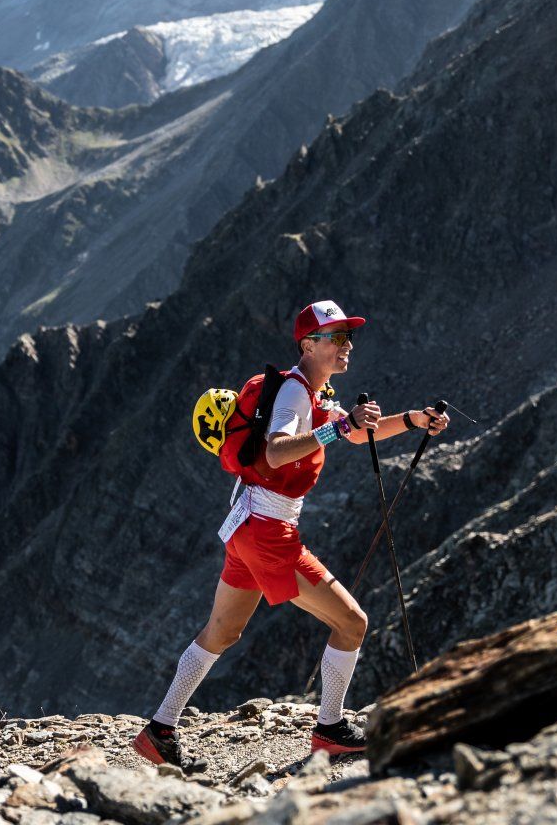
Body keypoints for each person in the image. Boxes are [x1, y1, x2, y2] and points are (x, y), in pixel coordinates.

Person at [134, 300, 450, 766]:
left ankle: (160, 729)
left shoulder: (313, 394)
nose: (347, 345)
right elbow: (278, 451)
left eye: (348, 336)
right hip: (268, 528)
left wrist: (411, 421)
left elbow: (358, 434)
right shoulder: (295, 394)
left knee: (222, 631)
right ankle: (330, 729)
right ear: (308, 344)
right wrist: (338, 429)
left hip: (246, 524)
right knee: (352, 623)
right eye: (336, 337)